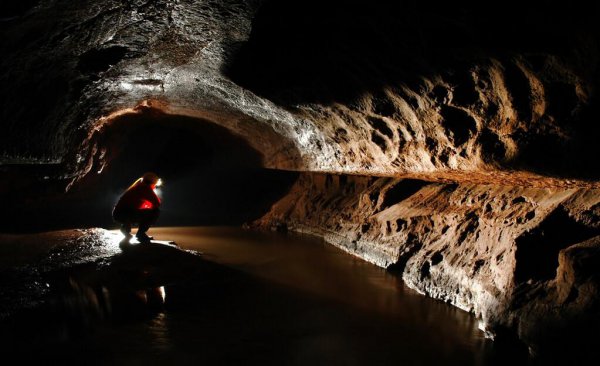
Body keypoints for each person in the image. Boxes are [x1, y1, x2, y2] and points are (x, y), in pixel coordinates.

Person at [112, 172, 162, 243]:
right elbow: (157, 203)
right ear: (152, 183)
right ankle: (140, 234)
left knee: (142, 211)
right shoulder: (145, 188)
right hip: (124, 214)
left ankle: (126, 228)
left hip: (118, 213)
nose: (155, 186)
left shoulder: (138, 186)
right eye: (155, 184)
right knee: (155, 211)